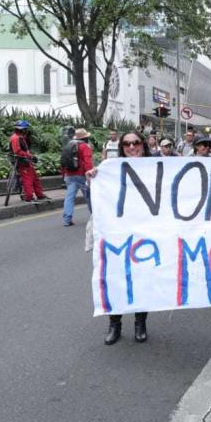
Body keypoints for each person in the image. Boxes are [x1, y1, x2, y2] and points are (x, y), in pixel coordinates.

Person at [86, 131, 152, 345]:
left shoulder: (156, 167)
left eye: (136, 143)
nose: (132, 147)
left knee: (143, 281)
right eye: (126, 144)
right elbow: (99, 201)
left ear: (143, 145)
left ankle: (140, 324)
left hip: (147, 235)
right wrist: (94, 179)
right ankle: (115, 324)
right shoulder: (110, 170)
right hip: (118, 236)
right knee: (115, 278)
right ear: (121, 147)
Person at [9, 120, 49, 203]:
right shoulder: (16, 138)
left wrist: (31, 156)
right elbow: (18, 151)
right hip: (21, 161)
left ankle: (40, 195)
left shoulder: (20, 137)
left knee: (35, 178)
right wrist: (30, 156)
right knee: (28, 179)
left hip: (26, 161)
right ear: (22, 129)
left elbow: (24, 150)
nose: (26, 130)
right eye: (25, 129)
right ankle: (29, 197)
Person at [62, 128, 94, 227]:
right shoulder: (84, 146)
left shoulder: (68, 145)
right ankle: (95, 216)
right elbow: (88, 162)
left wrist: (64, 174)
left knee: (69, 197)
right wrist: (90, 175)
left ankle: (67, 219)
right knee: (89, 196)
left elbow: (62, 161)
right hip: (81, 175)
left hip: (69, 175)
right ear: (85, 138)